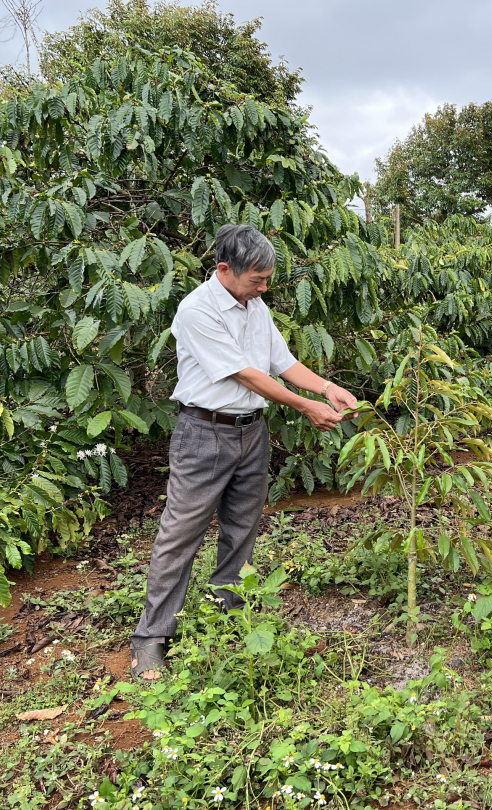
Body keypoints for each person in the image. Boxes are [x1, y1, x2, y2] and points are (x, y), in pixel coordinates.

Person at [130, 224, 358, 680]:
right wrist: (304, 406)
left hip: (251, 433)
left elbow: (283, 362)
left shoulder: (255, 305)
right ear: (223, 270)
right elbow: (244, 374)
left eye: (267, 278)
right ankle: (151, 639)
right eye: (256, 278)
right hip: (204, 434)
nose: (264, 287)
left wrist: (328, 388)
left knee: (242, 527)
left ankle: (226, 612)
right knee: (180, 535)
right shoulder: (197, 311)